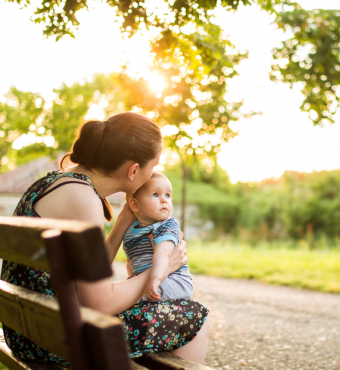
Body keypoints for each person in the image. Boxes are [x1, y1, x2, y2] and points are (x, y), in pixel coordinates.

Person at [0, 112, 210, 365]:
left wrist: (122, 222)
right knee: (195, 316)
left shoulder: (55, 182)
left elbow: (93, 268)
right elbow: (99, 304)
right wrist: (162, 270)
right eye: (153, 166)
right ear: (133, 170)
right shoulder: (83, 198)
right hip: (53, 337)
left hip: (28, 328)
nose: (154, 172)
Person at [124, 171, 194, 302]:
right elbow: (130, 261)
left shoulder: (167, 225)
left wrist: (155, 279)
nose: (164, 200)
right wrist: (131, 279)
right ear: (135, 205)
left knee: (128, 297)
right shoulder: (130, 233)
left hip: (174, 280)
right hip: (152, 281)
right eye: (155, 194)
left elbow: (163, 253)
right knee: (131, 294)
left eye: (168, 195)